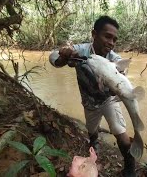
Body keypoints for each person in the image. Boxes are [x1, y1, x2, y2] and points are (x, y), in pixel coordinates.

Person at [49, 15, 136, 177]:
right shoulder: (81, 51)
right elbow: (53, 58)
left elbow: (121, 82)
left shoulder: (115, 60)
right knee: (91, 129)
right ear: (94, 34)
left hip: (108, 101)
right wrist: (64, 56)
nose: (111, 42)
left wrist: (117, 81)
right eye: (107, 36)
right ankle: (94, 144)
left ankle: (130, 165)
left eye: (114, 39)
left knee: (122, 136)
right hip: (89, 102)